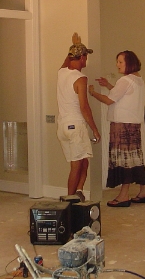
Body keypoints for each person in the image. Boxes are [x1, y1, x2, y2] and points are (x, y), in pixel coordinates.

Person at [89, 50, 145, 207]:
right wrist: (109, 85)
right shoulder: (138, 79)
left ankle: (123, 196)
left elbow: (109, 100)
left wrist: (92, 93)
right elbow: (124, 95)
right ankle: (144, 192)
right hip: (133, 125)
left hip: (122, 125)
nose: (117, 65)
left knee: (124, 159)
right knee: (134, 158)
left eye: (120, 62)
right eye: (117, 62)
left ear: (129, 63)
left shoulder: (125, 80)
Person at [57, 33, 101, 202]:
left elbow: (67, 61)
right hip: (76, 126)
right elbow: (84, 107)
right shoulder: (80, 78)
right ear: (82, 58)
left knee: (83, 160)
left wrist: (75, 45)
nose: (86, 60)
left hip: (63, 127)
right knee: (76, 166)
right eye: (85, 56)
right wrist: (95, 129)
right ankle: (69, 202)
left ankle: (79, 192)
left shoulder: (62, 73)